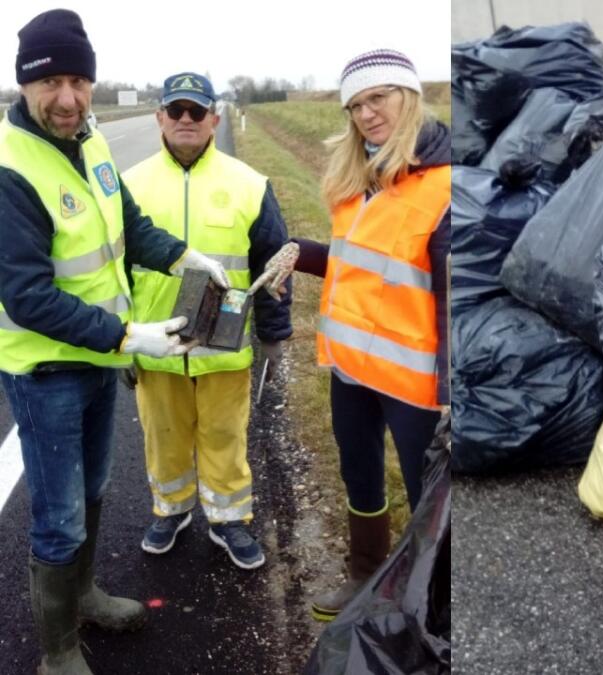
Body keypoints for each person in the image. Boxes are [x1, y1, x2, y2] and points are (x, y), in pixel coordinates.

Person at [0, 10, 229, 674]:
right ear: (24, 84)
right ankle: (57, 650)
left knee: (95, 487)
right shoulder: (12, 167)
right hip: (46, 370)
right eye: (52, 84)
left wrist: (186, 257)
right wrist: (132, 334)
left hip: (100, 357)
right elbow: (29, 296)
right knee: (59, 516)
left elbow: (128, 224)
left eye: (80, 81)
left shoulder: (92, 140)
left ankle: (86, 593)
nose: (69, 99)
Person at [274, 48, 449, 622]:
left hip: (415, 382)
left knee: (431, 499)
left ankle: (428, 604)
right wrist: (304, 253)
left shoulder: (444, 187)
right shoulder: (358, 180)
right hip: (352, 366)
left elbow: (454, 299)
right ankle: (365, 574)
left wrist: (454, 393)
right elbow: (359, 265)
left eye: (379, 98)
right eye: (355, 105)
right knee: (359, 471)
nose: (367, 114)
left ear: (410, 96)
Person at [122, 71, 293, 570]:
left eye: (196, 111)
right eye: (176, 110)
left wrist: (274, 332)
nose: (186, 120)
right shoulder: (129, 186)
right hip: (159, 346)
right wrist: (120, 344)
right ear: (159, 118)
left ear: (214, 119)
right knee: (164, 436)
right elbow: (112, 274)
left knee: (225, 436)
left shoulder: (249, 184)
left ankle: (229, 520)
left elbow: (273, 263)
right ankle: (169, 511)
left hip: (224, 346)